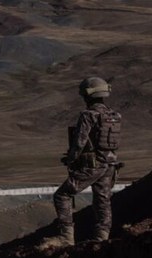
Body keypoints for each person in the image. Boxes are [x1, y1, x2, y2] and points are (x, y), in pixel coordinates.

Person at [39, 77, 122, 249]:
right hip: (110, 165)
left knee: (62, 195)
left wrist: (70, 159)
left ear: (87, 94)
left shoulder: (88, 115)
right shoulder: (114, 115)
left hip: (93, 165)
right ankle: (102, 238)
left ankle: (66, 238)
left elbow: (79, 142)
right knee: (103, 200)